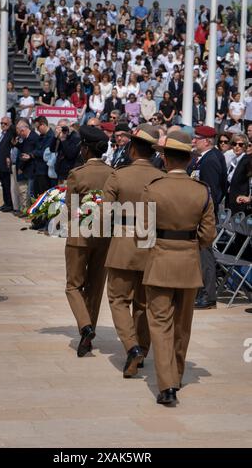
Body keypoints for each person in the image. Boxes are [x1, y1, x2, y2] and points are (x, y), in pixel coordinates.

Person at [141, 131, 216, 405]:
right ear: (188, 159)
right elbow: (208, 236)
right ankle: (178, 375)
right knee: (183, 325)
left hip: (160, 260)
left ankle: (166, 384)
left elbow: (142, 233)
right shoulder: (202, 190)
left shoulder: (154, 188)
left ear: (165, 157)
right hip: (188, 262)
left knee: (160, 324)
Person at [103, 124, 163, 378]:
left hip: (124, 242)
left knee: (118, 299)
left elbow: (105, 213)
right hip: (152, 242)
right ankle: (142, 350)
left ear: (132, 149)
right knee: (143, 302)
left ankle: (132, 347)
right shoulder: (162, 177)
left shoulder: (119, 175)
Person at [65, 126, 113, 357]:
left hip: (80, 235)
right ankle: (88, 331)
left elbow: (70, 207)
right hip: (104, 236)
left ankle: (85, 326)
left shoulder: (77, 173)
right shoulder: (113, 173)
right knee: (95, 287)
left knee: (73, 285)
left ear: (85, 149)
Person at [191, 126, 227, 309]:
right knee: (202, 255)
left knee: (205, 256)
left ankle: (207, 295)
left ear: (206, 141)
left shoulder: (210, 160)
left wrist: (202, 213)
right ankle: (202, 292)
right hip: (203, 214)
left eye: (196, 138)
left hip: (204, 216)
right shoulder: (206, 158)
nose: (193, 141)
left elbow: (210, 191)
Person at [226, 133, 252, 214]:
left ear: (245, 146)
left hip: (241, 204)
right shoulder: (234, 160)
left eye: (240, 144)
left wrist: (250, 197)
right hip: (230, 202)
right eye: (234, 144)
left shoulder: (248, 160)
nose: (237, 146)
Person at [0, 116, 15, 213]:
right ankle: (5, 203)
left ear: (9, 124)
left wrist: (11, 125)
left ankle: (9, 204)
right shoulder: (3, 133)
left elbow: (14, 130)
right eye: (1, 123)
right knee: (3, 184)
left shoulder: (10, 133)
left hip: (5, 162)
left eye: (5, 123)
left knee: (7, 184)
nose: (3, 125)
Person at [49, 119, 81, 184]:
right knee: (61, 193)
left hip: (71, 174)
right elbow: (52, 149)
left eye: (64, 127)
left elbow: (70, 155)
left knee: (73, 194)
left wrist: (63, 139)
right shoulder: (59, 136)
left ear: (69, 126)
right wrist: (55, 136)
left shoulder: (75, 137)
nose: (63, 130)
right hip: (61, 174)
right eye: (60, 127)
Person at [33, 116, 55, 197]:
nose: (37, 130)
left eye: (38, 127)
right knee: (37, 195)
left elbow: (45, 153)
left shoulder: (51, 136)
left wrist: (34, 153)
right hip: (38, 170)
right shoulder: (41, 136)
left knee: (44, 196)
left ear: (43, 125)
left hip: (45, 171)